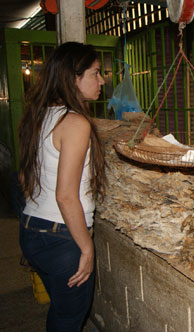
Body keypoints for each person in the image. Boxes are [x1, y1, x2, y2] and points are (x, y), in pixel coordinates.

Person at [17, 42, 107, 331]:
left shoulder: (39, 115)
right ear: (73, 79)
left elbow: (24, 177)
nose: (102, 80)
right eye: (95, 73)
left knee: (60, 308)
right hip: (62, 239)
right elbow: (66, 195)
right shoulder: (76, 122)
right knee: (69, 319)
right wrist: (86, 248)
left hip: (32, 230)